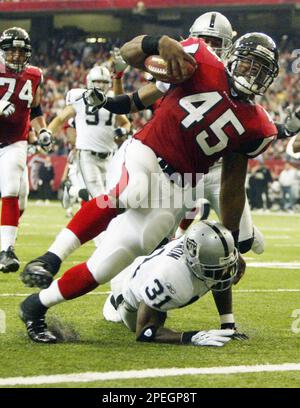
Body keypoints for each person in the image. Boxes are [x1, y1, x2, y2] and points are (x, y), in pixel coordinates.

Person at [18, 32, 281, 342]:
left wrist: (233, 243)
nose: (252, 73)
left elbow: (233, 184)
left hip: (179, 188)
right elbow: (130, 53)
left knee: (108, 263)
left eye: (260, 70)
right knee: (132, 192)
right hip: (145, 151)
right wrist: (156, 43)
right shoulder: (200, 57)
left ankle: (35, 306)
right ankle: (50, 258)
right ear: (235, 57)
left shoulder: (260, 127)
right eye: (249, 64)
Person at [22, 221, 247, 344]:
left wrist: (228, 325)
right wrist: (190, 337)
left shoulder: (218, 254)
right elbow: (146, 333)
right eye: (218, 268)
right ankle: (116, 299)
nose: (226, 273)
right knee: (125, 307)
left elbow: (220, 280)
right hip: (134, 296)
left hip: (147, 262)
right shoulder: (170, 279)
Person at [0, 27, 50, 273]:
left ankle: (5, 246)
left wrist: (42, 130)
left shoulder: (34, 75)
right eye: (12, 51)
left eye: (22, 52)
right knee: (12, 190)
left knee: (18, 195)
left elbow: (37, 109)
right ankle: (6, 248)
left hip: (15, 141)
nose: (17, 56)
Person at [39, 65, 131, 199]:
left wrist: (123, 129)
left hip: (109, 156)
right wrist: (48, 131)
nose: (100, 85)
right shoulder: (80, 98)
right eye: (97, 81)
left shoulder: (111, 99)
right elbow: (60, 118)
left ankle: (73, 191)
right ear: (89, 82)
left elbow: (125, 121)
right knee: (101, 199)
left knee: (110, 196)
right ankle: (75, 192)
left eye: (104, 82)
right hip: (87, 155)